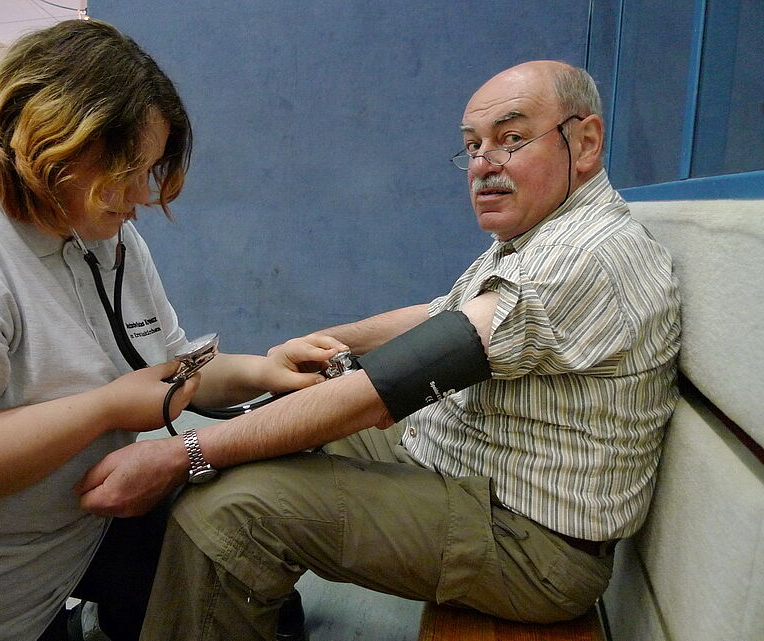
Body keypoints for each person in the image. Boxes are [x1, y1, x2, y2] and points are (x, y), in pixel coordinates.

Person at [70, 60, 681, 640]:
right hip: (468, 458)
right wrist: (319, 343)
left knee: (232, 511)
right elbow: (440, 316)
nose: (482, 165)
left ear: (586, 142)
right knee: (270, 434)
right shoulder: (547, 234)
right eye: (472, 146)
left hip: (530, 543)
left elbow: (385, 388)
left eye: (511, 139)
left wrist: (181, 452)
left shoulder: (584, 257)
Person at [0, 20, 344, 641]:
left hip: (75, 538)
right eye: (126, 169)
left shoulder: (104, 237)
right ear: (48, 139)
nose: (141, 195)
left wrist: (264, 369)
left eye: (149, 169)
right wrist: (107, 409)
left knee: (250, 567)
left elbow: (165, 366)